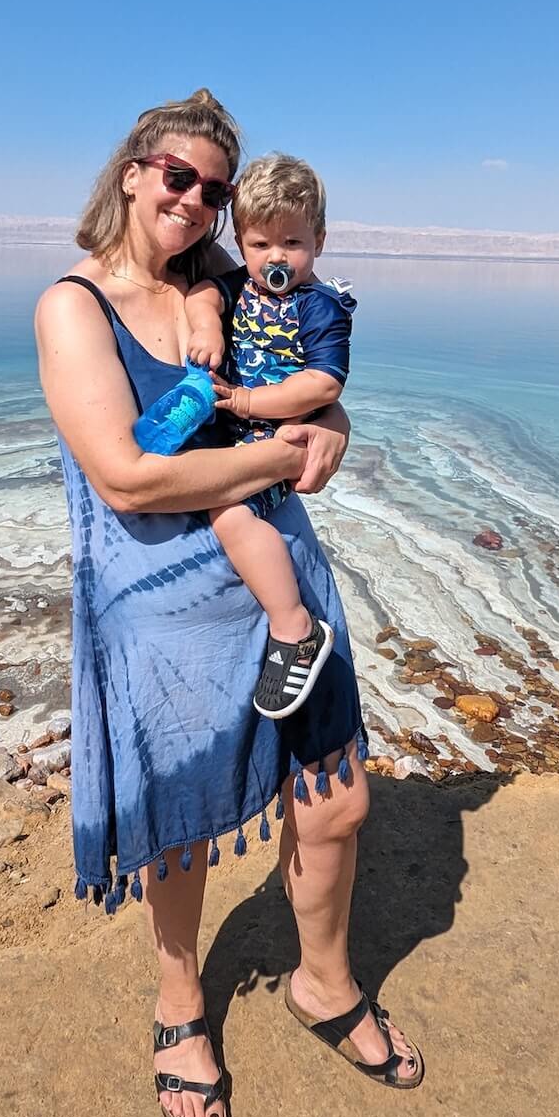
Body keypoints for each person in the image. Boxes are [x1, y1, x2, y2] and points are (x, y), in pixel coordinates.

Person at [34, 88, 423, 1117]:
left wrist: (330, 409)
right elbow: (125, 476)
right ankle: (177, 998)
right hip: (165, 616)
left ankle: (324, 980)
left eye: (214, 190)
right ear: (131, 170)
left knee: (336, 803)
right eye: (179, 177)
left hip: (283, 579)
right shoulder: (75, 305)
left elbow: (296, 362)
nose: (196, 201)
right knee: (186, 826)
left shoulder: (222, 278)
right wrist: (280, 449)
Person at [181, 153, 356, 721]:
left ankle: (294, 625)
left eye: (292, 243)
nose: (275, 258)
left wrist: (250, 401)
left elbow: (324, 379)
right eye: (260, 245)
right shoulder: (238, 287)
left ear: (319, 241)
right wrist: (208, 323)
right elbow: (203, 291)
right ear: (241, 240)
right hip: (235, 436)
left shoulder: (320, 306)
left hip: (276, 441)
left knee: (228, 515)